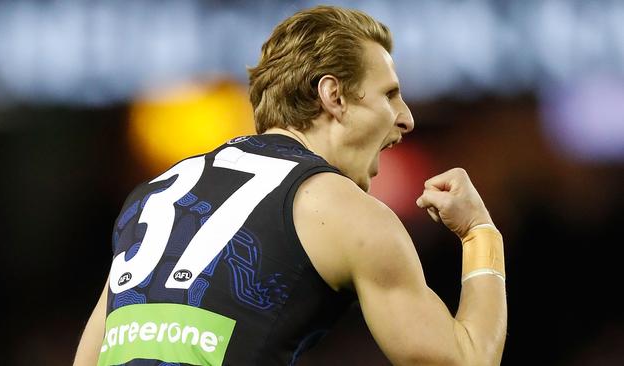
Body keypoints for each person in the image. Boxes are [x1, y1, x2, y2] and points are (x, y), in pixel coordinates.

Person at [74, 5, 507, 366]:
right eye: (389, 95)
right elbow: (465, 358)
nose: (406, 117)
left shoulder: (151, 194)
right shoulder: (340, 208)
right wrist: (480, 233)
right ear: (333, 96)